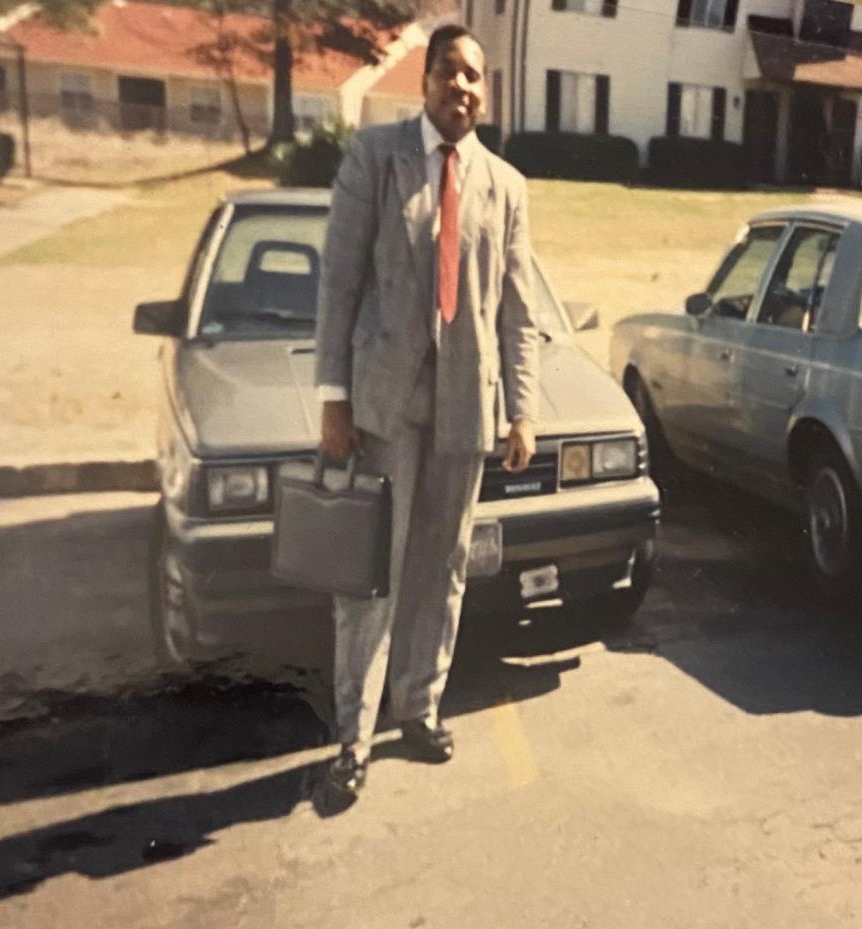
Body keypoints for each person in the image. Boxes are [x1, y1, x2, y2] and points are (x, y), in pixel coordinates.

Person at [314, 24, 540, 807]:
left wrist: (522, 410)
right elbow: (340, 282)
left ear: (485, 90)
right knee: (372, 573)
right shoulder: (375, 157)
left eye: (475, 76)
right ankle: (352, 739)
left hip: (465, 408)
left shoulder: (506, 186)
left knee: (442, 568)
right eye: (450, 71)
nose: (462, 87)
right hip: (385, 405)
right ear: (426, 80)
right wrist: (333, 396)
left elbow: (517, 311)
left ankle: (418, 707)